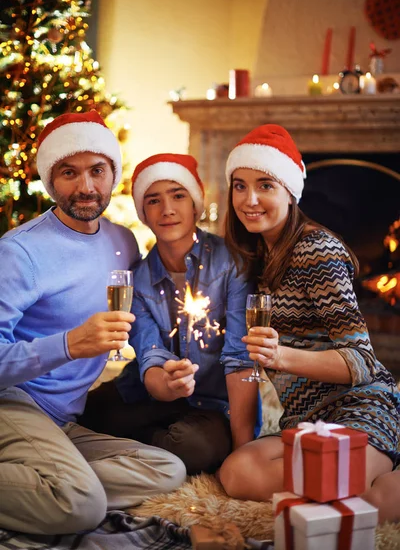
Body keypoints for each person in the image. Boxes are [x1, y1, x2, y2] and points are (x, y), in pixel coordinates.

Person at [0, 111, 186, 536]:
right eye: (69, 172)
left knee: (168, 469)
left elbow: (135, 321)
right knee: (80, 507)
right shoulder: (18, 253)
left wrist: (158, 362)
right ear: (51, 179)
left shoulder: (123, 241)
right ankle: (66, 490)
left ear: (112, 174)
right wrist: (68, 344)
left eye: (97, 171)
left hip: (63, 421)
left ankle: (54, 484)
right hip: (14, 404)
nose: (86, 187)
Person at [218, 123, 400, 523]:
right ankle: (365, 475)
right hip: (305, 420)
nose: (250, 199)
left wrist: (279, 356)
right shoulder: (259, 256)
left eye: (265, 185)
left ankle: (385, 466)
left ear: (289, 192)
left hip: (358, 408)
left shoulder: (315, 249)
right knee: (236, 472)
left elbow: (360, 361)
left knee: (360, 505)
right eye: (240, 186)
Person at [80, 153, 259, 475]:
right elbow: (149, 353)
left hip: (213, 406)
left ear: (196, 205)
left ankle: (127, 450)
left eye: (178, 195)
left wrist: (242, 449)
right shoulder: (138, 278)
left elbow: (240, 357)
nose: (168, 210)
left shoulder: (232, 264)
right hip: (148, 395)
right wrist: (166, 382)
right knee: (83, 414)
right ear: (144, 214)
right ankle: (142, 450)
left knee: (192, 448)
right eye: (153, 201)